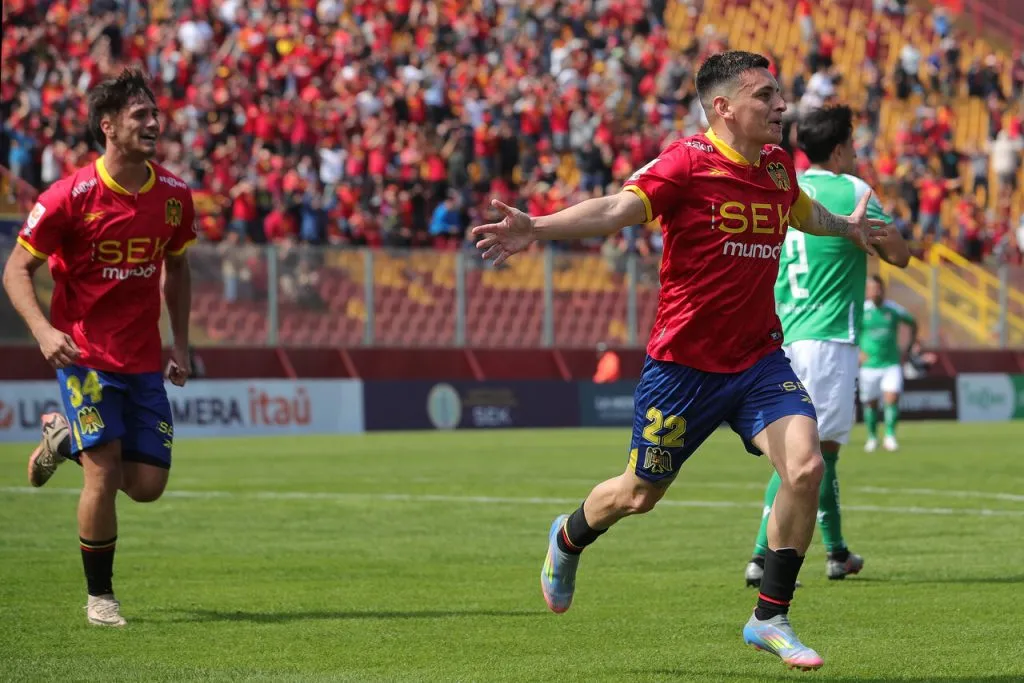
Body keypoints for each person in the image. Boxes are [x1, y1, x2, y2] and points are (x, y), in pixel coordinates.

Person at [471, 51, 887, 671]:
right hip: (683, 367)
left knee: (805, 467)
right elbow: (616, 210)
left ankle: (769, 616)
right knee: (639, 495)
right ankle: (567, 537)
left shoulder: (777, 167)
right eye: (765, 96)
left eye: (780, 95)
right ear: (723, 107)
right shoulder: (685, 163)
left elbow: (804, 214)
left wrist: (845, 228)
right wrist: (537, 227)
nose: (781, 107)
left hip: (757, 361)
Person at [2, 67, 196, 627]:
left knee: (148, 486)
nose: (154, 123)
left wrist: (179, 343)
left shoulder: (175, 196)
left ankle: (60, 439)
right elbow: (17, 270)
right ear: (108, 126)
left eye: (155, 114)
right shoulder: (68, 197)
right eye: (141, 116)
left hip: (141, 360)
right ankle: (100, 598)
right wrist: (43, 330)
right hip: (84, 356)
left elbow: (177, 268)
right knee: (104, 474)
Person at [743, 105, 911, 590]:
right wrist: (886, 239)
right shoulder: (852, 191)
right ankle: (762, 556)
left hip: (781, 337)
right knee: (813, 455)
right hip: (829, 339)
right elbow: (898, 256)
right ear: (838, 150)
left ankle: (836, 551)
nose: (857, 154)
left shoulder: (783, 185)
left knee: (809, 453)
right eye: (853, 146)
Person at [860, 275, 918, 452]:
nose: (876, 291)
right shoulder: (861, 311)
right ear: (867, 291)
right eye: (872, 288)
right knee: (871, 403)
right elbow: (849, 330)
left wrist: (910, 344)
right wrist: (857, 352)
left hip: (891, 363)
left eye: (879, 288)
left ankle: (890, 436)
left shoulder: (893, 310)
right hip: (869, 365)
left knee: (892, 398)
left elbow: (913, 323)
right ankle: (871, 437)